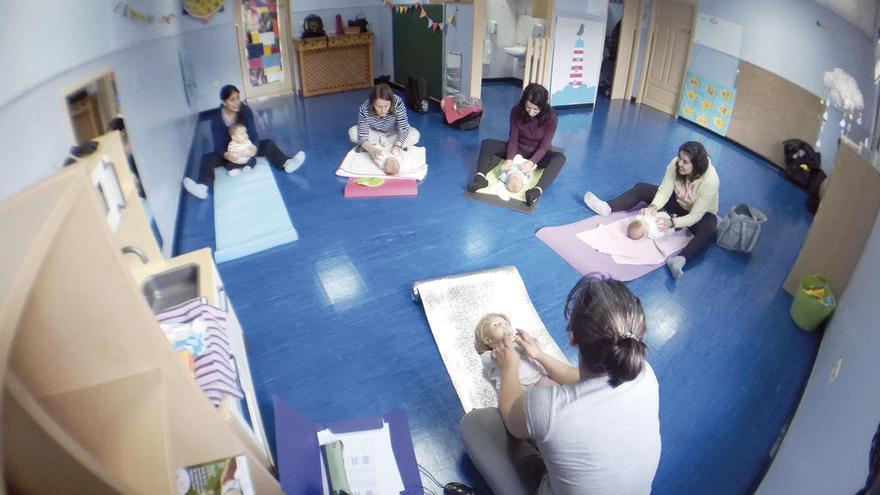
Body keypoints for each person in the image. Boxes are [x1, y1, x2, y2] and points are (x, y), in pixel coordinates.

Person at [459, 276, 661, 495]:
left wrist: (508, 368)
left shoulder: (547, 405)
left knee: (475, 423)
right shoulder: (643, 372)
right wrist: (538, 355)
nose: (502, 326)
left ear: (571, 337)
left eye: (502, 322)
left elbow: (510, 417)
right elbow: (573, 376)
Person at [584, 141, 719, 278]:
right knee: (642, 188)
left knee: (709, 230)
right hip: (678, 203)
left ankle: (680, 260)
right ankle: (608, 207)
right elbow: (665, 191)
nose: (679, 163)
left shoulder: (710, 180)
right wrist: (654, 206)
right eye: (679, 158)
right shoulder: (675, 165)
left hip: (700, 214)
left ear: (696, 166)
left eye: (685, 162)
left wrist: (672, 223)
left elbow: (695, 215)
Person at [183, 85, 306, 199]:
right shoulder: (216, 119)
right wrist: (226, 154)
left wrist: (254, 147)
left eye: (238, 98)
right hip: (230, 151)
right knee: (207, 158)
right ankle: (202, 187)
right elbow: (218, 144)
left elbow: (253, 133)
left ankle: (287, 163)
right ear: (224, 102)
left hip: (246, 148)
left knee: (267, 143)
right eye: (232, 99)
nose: (237, 102)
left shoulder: (245, 110)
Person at [467, 83, 566, 206]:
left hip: (538, 154)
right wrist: (509, 159)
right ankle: (480, 178)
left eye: (536, 109)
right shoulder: (516, 111)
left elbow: (544, 146)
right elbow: (513, 139)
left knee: (560, 158)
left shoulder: (551, 117)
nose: (531, 112)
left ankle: (536, 190)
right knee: (487, 143)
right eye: (528, 107)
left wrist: (531, 162)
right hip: (518, 150)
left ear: (543, 106)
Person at [347, 83, 420, 176]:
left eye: (386, 106)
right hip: (375, 133)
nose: (383, 110)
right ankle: (381, 147)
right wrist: (373, 150)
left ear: (391, 102)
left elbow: (404, 128)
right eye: (379, 107)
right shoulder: (364, 108)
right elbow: (362, 136)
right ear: (373, 103)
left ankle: (382, 146)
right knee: (353, 132)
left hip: (393, 132)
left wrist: (397, 145)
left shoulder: (397, 102)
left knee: (415, 134)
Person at [474, 313, 555, 390]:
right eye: (495, 325)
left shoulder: (518, 344)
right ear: (487, 339)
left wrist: (528, 342)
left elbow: (534, 353)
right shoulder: (488, 355)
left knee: (557, 388)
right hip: (520, 389)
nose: (504, 326)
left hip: (540, 378)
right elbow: (490, 360)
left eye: (506, 324)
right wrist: (510, 346)